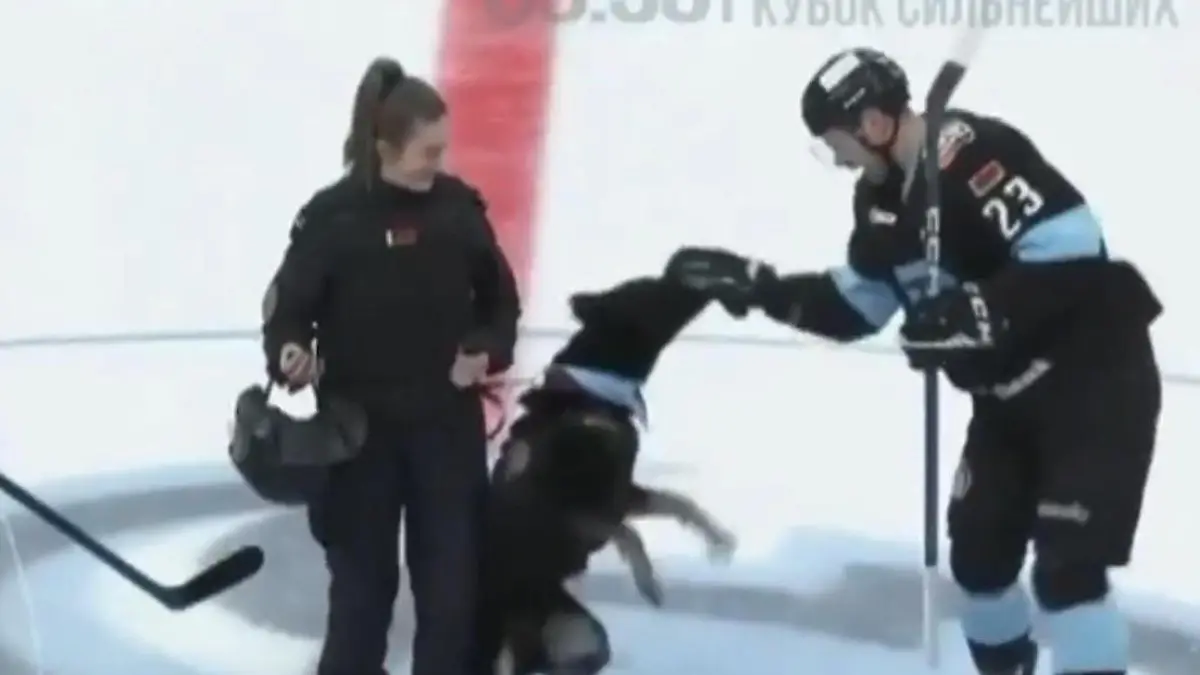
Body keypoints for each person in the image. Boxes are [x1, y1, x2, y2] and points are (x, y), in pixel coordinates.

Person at [664, 48, 1162, 675]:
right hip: (1007, 404)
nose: (840, 160)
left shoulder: (974, 154)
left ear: (873, 123)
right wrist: (760, 288)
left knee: (1067, 570)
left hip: (1093, 386)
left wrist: (973, 312)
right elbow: (859, 306)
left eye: (837, 144)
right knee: (979, 564)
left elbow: (1073, 251)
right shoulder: (879, 202)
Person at [260, 56, 520, 675]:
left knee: (451, 596)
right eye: (428, 151)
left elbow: (501, 304)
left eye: (442, 149)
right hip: (358, 436)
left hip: (445, 432)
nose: (439, 162)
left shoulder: (458, 211)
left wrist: (484, 351)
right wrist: (290, 354)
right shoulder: (333, 218)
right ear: (384, 149)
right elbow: (287, 312)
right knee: (360, 597)